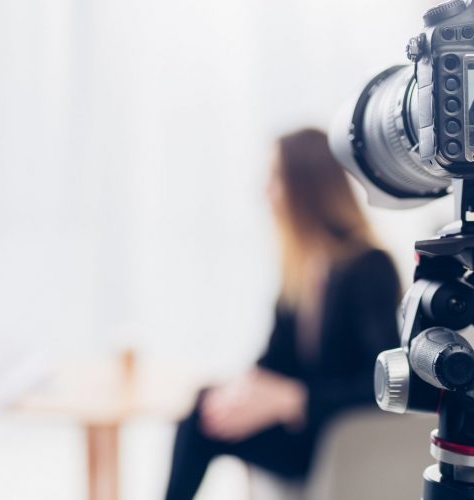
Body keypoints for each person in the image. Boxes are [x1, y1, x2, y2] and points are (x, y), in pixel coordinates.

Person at [163, 128, 401, 500]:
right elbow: (276, 358)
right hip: (301, 427)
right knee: (205, 403)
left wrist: (294, 399)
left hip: (334, 435)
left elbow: (383, 382)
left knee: (197, 422)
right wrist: (242, 391)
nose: (266, 193)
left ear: (306, 188)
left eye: (275, 179)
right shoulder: (306, 266)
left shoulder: (370, 266)